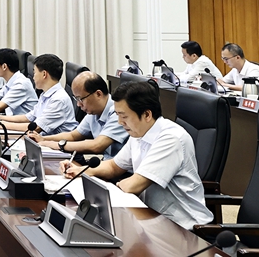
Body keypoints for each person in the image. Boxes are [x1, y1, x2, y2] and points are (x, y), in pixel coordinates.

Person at [60, 81, 213, 231]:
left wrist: (113, 186)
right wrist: (82, 170)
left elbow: (133, 185)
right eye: (118, 115)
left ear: (147, 114)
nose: (120, 122)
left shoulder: (171, 138)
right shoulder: (139, 132)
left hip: (184, 227)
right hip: (151, 218)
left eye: (124, 116)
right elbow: (114, 166)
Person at [30, 71, 128, 160]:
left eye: (80, 99)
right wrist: (43, 139)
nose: (78, 104)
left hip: (121, 169)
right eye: (76, 99)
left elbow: (97, 145)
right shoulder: (94, 111)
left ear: (98, 94)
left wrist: (58, 145)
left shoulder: (118, 113)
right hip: (106, 163)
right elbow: (73, 135)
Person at [0, 53, 77, 135]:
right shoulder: (45, 94)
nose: (33, 77)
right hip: (43, 139)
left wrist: (1, 124)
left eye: (34, 72)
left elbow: (36, 127)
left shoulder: (58, 99)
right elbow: (29, 117)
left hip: (55, 142)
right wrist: (0, 118)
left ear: (44, 74)